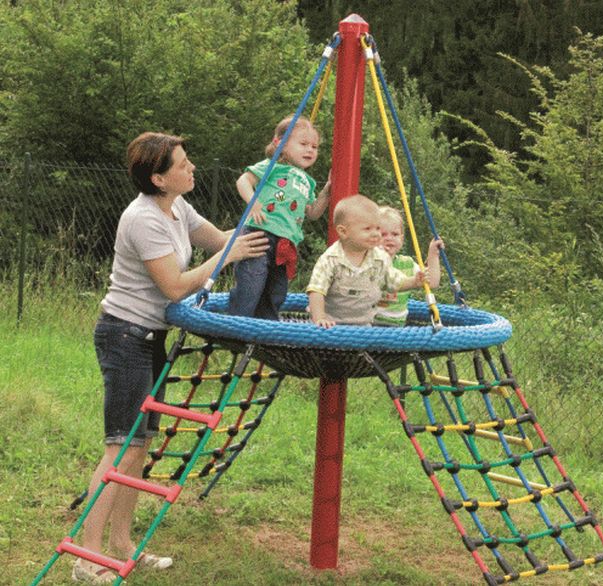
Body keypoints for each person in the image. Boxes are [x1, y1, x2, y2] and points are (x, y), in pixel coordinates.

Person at [72, 132, 270, 584]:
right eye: (182, 164)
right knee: (120, 448)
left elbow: (220, 238)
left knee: (137, 451)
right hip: (123, 336)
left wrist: (266, 219)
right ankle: (87, 558)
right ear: (159, 178)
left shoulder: (177, 207)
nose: (192, 168)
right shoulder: (143, 219)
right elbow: (176, 286)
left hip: (150, 338)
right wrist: (226, 256)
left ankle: (124, 545)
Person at [227, 115, 330, 319]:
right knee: (251, 282)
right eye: (303, 144)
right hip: (260, 233)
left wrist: (327, 192)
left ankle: (266, 329)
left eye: (314, 146)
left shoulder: (308, 182)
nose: (310, 150)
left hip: (286, 242)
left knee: (276, 291)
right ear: (280, 144)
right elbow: (243, 181)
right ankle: (236, 322)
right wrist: (253, 202)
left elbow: (313, 212)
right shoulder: (273, 165)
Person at [307, 195, 424, 328]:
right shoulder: (330, 259)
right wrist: (320, 318)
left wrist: (414, 281)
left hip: (363, 326)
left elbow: (394, 282)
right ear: (343, 232)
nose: (375, 234)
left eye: (377, 228)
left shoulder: (380, 258)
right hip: (329, 324)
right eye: (368, 229)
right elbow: (316, 290)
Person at [374, 205, 443, 326]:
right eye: (383, 234)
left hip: (398, 325)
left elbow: (432, 282)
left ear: (401, 239)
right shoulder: (369, 261)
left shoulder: (407, 263)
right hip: (370, 324)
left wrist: (433, 254)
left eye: (395, 234)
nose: (389, 238)